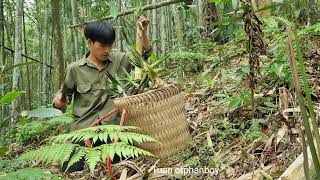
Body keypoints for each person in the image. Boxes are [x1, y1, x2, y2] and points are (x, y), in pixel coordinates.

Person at [53, 16, 152, 172]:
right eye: (102, 46)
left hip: (114, 129)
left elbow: (144, 53)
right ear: (90, 42)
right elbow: (63, 96)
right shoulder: (74, 69)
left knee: (130, 165)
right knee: (71, 170)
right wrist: (58, 102)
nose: (107, 50)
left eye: (110, 45)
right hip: (84, 131)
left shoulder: (120, 60)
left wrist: (143, 30)